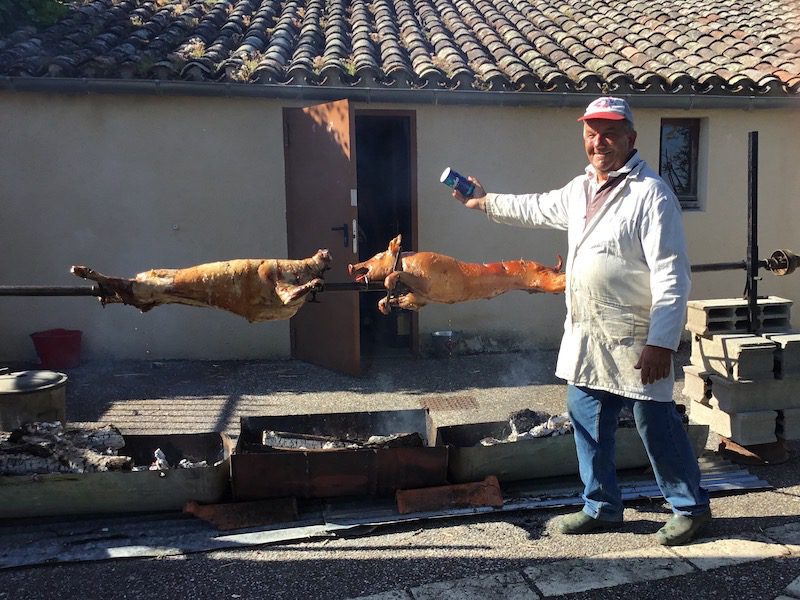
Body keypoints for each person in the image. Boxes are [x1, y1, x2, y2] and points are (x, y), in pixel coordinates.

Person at [452, 96, 711, 546]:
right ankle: (602, 506)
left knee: (656, 424)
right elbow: (534, 207)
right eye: (591, 133)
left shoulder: (652, 195)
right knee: (586, 416)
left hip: (636, 337)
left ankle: (690, 508)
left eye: (610, 133)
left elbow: (673, 274)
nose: (599, 142)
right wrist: (484, 201)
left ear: (631, 138)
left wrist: (662, 342)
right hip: (588, 334)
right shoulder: (581, 189)